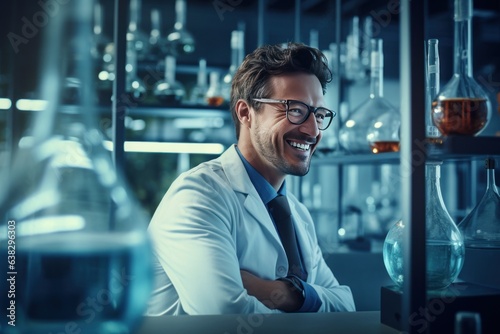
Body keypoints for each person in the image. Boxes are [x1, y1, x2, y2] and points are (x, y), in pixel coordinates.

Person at [146, 42, 356, 315]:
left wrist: (285, 293)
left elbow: (346, 306)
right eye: (295, 109)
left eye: (319, 114)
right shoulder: (197, 197)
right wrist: (312, 303)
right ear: (245, 112)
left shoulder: (297, 214)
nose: (313, 129)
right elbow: (223, 316)